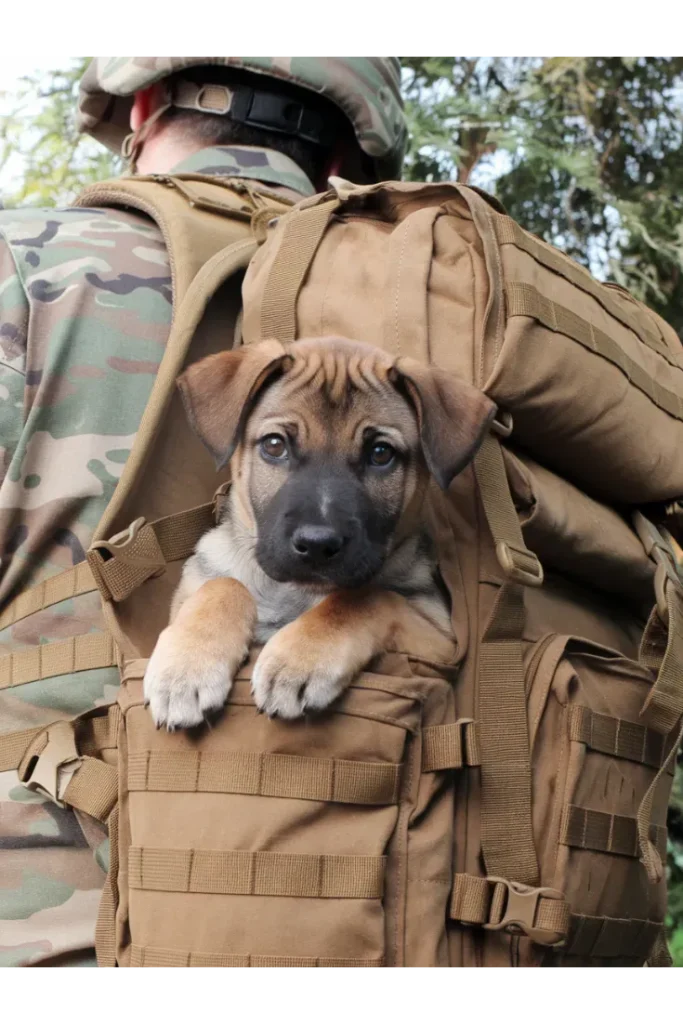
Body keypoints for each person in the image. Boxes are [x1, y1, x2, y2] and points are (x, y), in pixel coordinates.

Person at [0, 55, 407, 969]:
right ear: (347, 148)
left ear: (139, 106)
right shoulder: (429, 334)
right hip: (387, 922)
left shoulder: (21, 264)